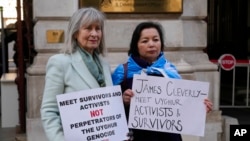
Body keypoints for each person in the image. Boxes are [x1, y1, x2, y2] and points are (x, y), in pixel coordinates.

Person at [112, 21, 213, 141]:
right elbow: (110, 110)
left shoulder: (170, 71)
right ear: (136, 45)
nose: (151, 44)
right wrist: (123, 100)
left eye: (156, 40)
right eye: (145, 41)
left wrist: (199, 109)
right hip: (137, 137)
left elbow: (181, 109)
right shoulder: (122, 72)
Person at [40, 7, 113, 141]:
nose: (94, 34)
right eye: (88, 28)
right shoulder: (60, 63)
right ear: (75, 33)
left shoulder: (104, 64)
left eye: (98, 28)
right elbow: (49, 111)